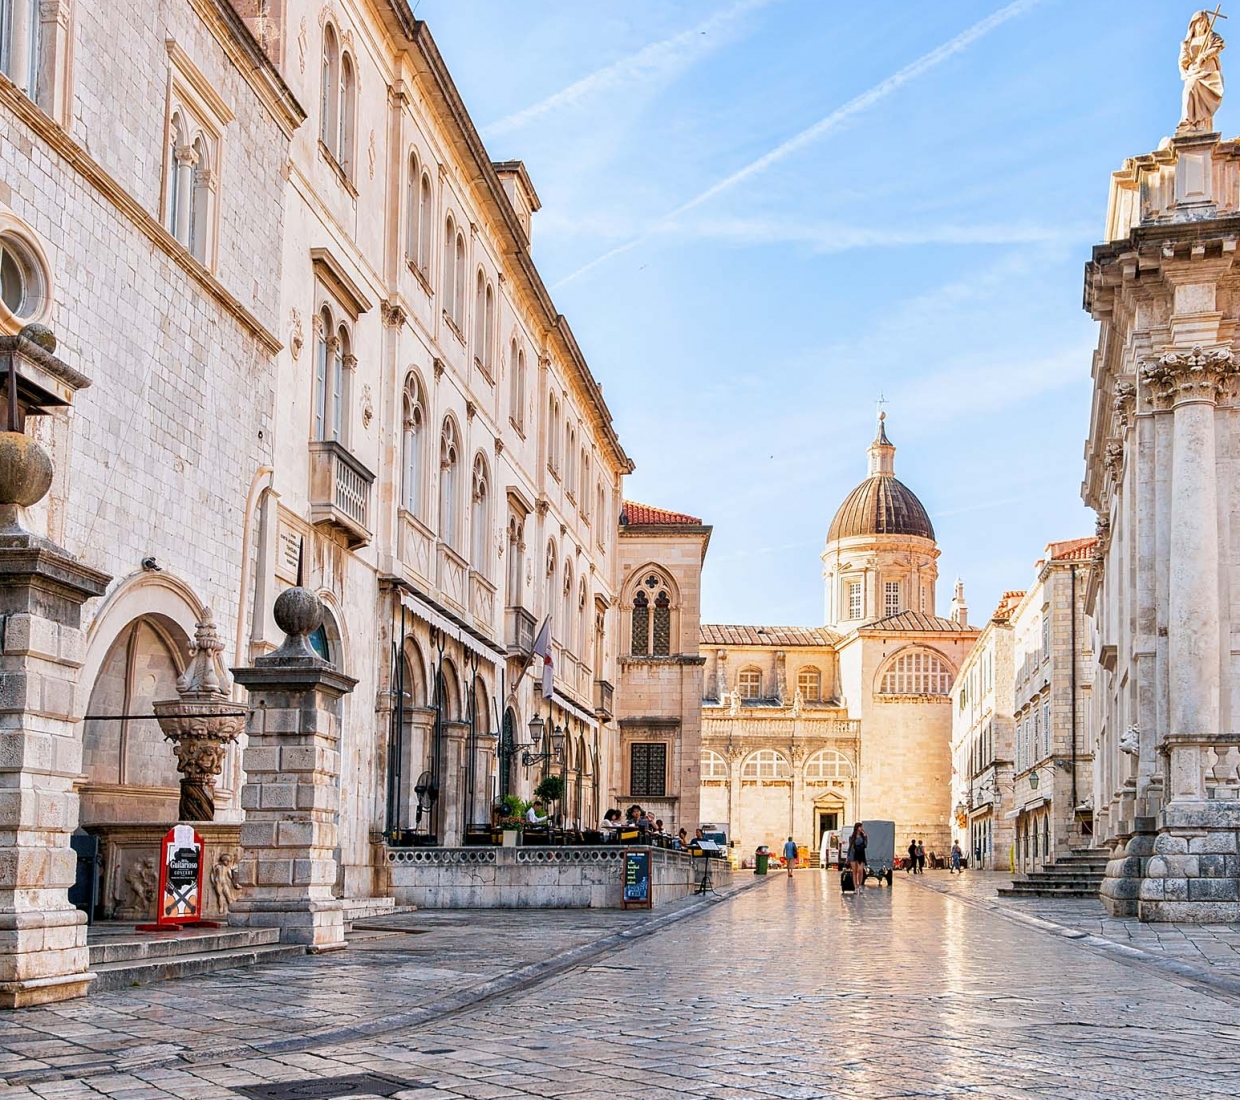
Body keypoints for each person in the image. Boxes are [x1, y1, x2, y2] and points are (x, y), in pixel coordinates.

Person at [849, 822, 867, 891]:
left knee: (860, 870)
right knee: (854, 871)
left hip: (861, 854)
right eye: (860, 827)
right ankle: (855, 887)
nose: (862, 828)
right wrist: (848, 856)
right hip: (853, 854)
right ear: (857, 828)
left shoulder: (863, 836)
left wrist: (865, 838)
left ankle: (860, 885)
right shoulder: (852, 837)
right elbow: (850, 847)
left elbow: (866, 845)